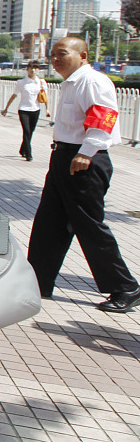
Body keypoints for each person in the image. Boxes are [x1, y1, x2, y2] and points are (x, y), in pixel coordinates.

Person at [27, 37, 139, 313]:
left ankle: (125, 287)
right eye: (52, 55)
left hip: (84, 160)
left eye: (62, 53)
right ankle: (35, 283)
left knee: (88, 225)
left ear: (83, 56)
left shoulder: (93, 81)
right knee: (49, 223)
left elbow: (105, 115)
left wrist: (87, 152)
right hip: (64, 156)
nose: (55, 59)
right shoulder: (71, 83)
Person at [0, 60, 49, 161]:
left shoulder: (41, 82)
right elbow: (14, 95)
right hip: (23, 109)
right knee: (26, 131)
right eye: (31, 68)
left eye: (36, 68)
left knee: (30, 132)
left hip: (35, 109)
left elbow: (45, 97)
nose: (33, 70)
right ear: (27, 69)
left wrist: (47, 109)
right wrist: (6, 108)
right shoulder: (21, 82)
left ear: (38, 70)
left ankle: (23, 149)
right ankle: (29, 154)